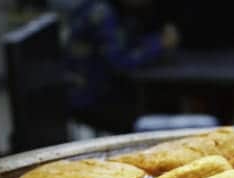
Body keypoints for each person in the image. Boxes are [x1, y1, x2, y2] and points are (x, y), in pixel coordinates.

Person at [59, 0, 180, 133]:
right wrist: (160, 43)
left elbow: (129, 43)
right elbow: (120, 61)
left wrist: (158, 41)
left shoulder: (114, 8)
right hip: (90, 97)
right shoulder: (101, 12)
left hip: (100, 91)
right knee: (147, 112)